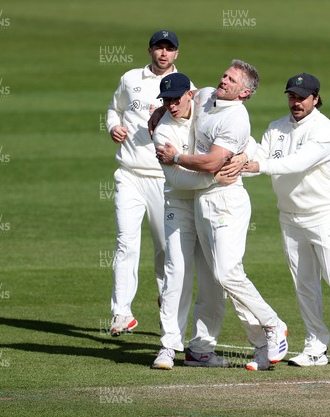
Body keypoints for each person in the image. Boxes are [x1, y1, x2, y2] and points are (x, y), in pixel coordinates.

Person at [156, 60, 288, 371]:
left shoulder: (236, 118)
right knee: (221, 278)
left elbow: (213, 161)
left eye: (231, 80)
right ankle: (258, 348)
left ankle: (274, 325)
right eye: (224, 75)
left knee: (228, 273)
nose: (223, 80)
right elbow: (182, 97)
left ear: (244, 92)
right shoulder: (203, 96)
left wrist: (178, 157)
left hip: (228, 201)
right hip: (203, 203)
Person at [242, 73, 330, 366]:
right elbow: (258, 159)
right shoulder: (276, 128)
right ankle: (316, 345)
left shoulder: (323, 129)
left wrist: (259, 164)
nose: (296, 102)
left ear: (315, 99)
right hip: (289, 217)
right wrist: (236, 164)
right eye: (291, 96)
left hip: (321, 214)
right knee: (304, 283)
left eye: (302, 97)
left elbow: (296, 163)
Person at [106, 29, 190, 337]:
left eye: (169, 48)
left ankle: (166, 305)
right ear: (150, 50)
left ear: (176, 54)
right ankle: (121, 313)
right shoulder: (130, 79)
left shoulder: (186, 86)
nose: (163, 53)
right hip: (129, 174)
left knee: (166, 250)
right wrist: (114, 125)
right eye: (159, 47)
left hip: (163, 180)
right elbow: (114, 108)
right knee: (125, 242)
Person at [149, 73, 234, 369]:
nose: (171, 106)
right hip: (179, 205)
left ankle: (201, 349)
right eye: (166, 102)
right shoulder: (162, 132)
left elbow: (225, 101)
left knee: (214, 276)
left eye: (176, 99)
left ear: (190, 94)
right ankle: (168, 346)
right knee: (177, 272)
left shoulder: (206, 101)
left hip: (208, 205)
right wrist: (215, 174)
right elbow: (177, 179)